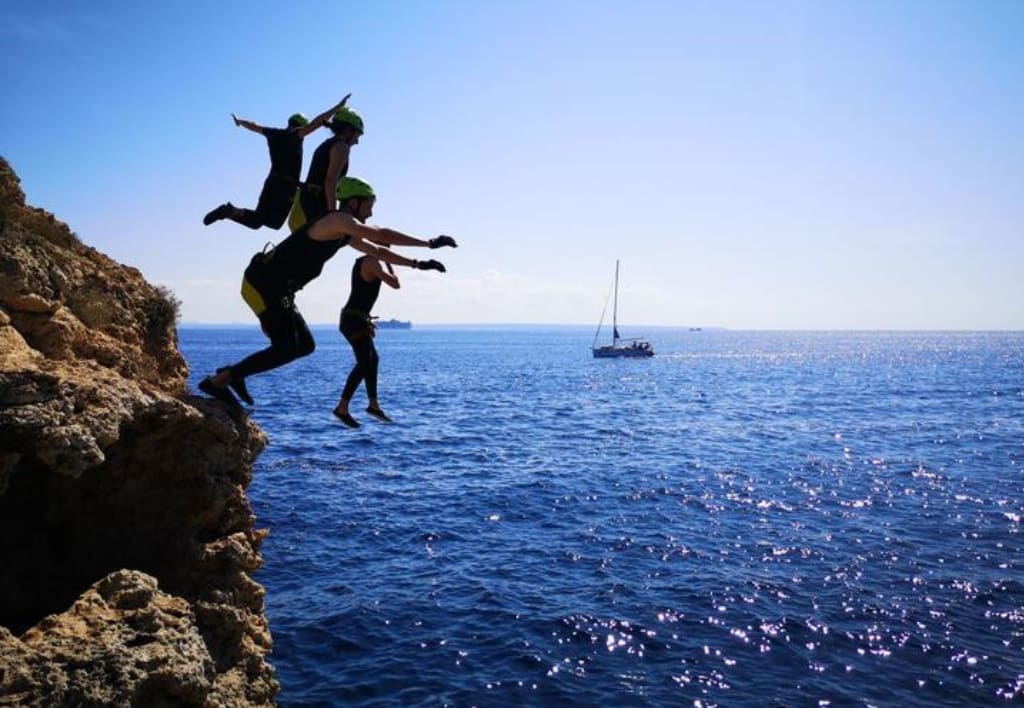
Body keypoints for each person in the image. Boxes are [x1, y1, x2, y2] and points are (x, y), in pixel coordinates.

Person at [198, 176, 458, 407]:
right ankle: (220, 381)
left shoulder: (343, 231)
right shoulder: (336, 220)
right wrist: (429, 243)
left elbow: (377, 250)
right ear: (354, 202)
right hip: (263, 283)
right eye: (369, 205)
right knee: (287, 346)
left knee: (304, 345)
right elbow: (380, 234)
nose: (371, 212)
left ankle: (231, 375)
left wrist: (418, 264)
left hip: (279, 289)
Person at [202, 94, 350, 230]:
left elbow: (254, 126)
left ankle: (230, 211)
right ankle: (230, 211)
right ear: (300, 125)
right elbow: (316, 123)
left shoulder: (274, 134)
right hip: (286, 187)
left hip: (272, 181)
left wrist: (240, 122)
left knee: (256, 221)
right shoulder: (296, 135)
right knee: (275, 223)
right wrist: (337, 107)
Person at [333, 248, 399, 428]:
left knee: (372, 360)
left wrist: (386, 261)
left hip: (358, 320)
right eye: (384, 247)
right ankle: (342, 408)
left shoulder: (371, 262)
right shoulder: (371, 262)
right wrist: (388, 262)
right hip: (352, 320)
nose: (387, 250)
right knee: (364, 363)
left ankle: (373, 405)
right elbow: (395, 283)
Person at [287, 106, 363, 231]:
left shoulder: (326, 144)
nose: (357, 141)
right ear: (348, 131)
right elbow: (330, 181)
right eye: (357, 135)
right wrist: (332, 213)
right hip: (314, 206)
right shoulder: (341, 147)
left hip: (303, 202)